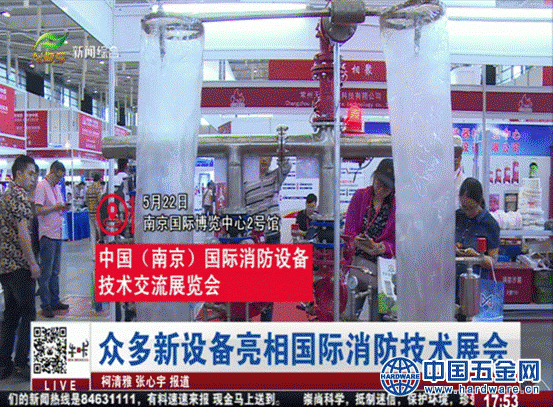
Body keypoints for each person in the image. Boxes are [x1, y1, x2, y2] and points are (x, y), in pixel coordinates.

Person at [0, 155, 40, 380]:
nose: (34, 178)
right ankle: (21, 363)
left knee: (11, 315)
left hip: (4, 266)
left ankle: (4, 364)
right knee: (28, 313)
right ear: (18, 174)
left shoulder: (6, 196)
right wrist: (32, 263)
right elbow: (23, 233)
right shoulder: (20, 197)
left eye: (35, 174)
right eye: (30, 173)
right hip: (19, 266)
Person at [344, 158, 396, 320]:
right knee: (347, 316)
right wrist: (357, 241)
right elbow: (349, 230)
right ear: (374, 178)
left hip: (386, 270)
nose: (381, 189)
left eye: (386, 187)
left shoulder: (397, 205)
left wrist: (382, 247)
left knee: (382, 320)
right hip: (358, 264)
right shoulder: (360, 196)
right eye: (379, 183)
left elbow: (400, 241)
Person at [244, 156, 291, 321]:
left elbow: (286, 167)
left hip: (272, 235)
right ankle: (246, 316)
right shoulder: (245, 181)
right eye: (262, 156)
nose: (265, 160)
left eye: (268, 157)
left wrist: (282, 155)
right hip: (254, 238)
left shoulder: (274, 177)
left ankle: (266, 323)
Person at [35, 160, 71, 318]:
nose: (59, 180)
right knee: (46, 272)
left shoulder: (57, 187)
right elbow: (38, 210)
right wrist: (54, 207)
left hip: (58, 233)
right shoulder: (41, 186)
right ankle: (46, 304)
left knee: (55, 271)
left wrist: (63, 207)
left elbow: (57, 206)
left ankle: (55, 300)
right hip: (47, 234)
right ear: (52, 172)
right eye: (58, 177)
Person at [455, 177, 500, 305]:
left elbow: (492, 262)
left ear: (479, 201)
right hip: (453, 282)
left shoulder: (490, 224)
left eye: (471, 207)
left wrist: (475, 256)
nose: (467, 212)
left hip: (476, 286)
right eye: (464, 207)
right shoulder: (457, 217)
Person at [86, 173, 104, 253]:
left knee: (92, 234)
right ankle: (101, 251)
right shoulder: (98, 188)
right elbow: (100, 201)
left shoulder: (89, 188)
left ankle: (94, 254)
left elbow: (86, 201)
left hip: (91, 213)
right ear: (99, 179)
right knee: (100, 233)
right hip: (97, 213)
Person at [454, 136, 466, 208]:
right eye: (453, 155)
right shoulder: (439, 177)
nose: (455, 159)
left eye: (457, 155)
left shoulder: (463, 181)